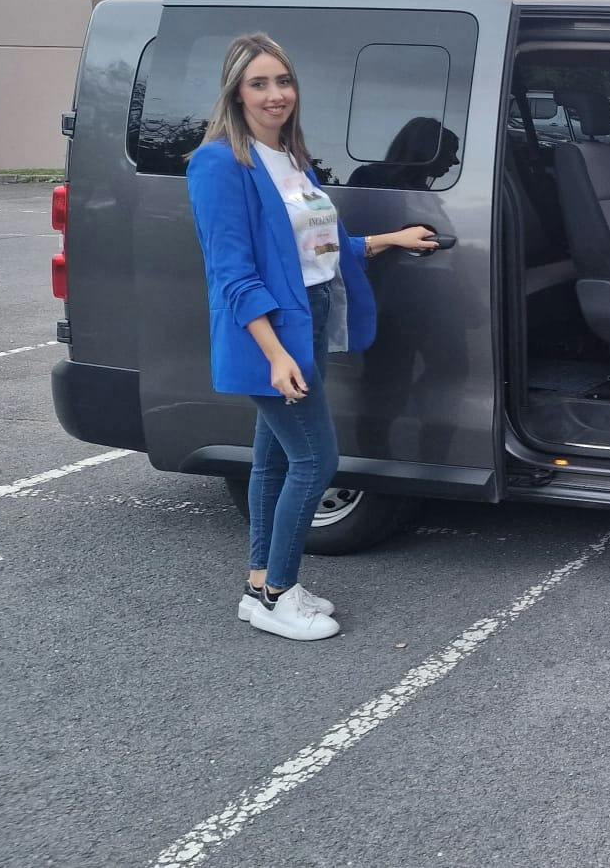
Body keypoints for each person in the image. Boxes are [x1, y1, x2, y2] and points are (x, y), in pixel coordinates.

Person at [185, 33, 438, 641]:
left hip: (310, 316)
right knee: (315, 459)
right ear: (236, 94)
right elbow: (232, 274)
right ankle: (279, 594)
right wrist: (276, 355)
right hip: (272, 331)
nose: (275, 95)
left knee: (273, 460)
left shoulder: (293, 158)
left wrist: (390, 240)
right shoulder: (220, 163)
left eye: (283, 81)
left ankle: (260, 586)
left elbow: (322, 248)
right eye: (259, 84)